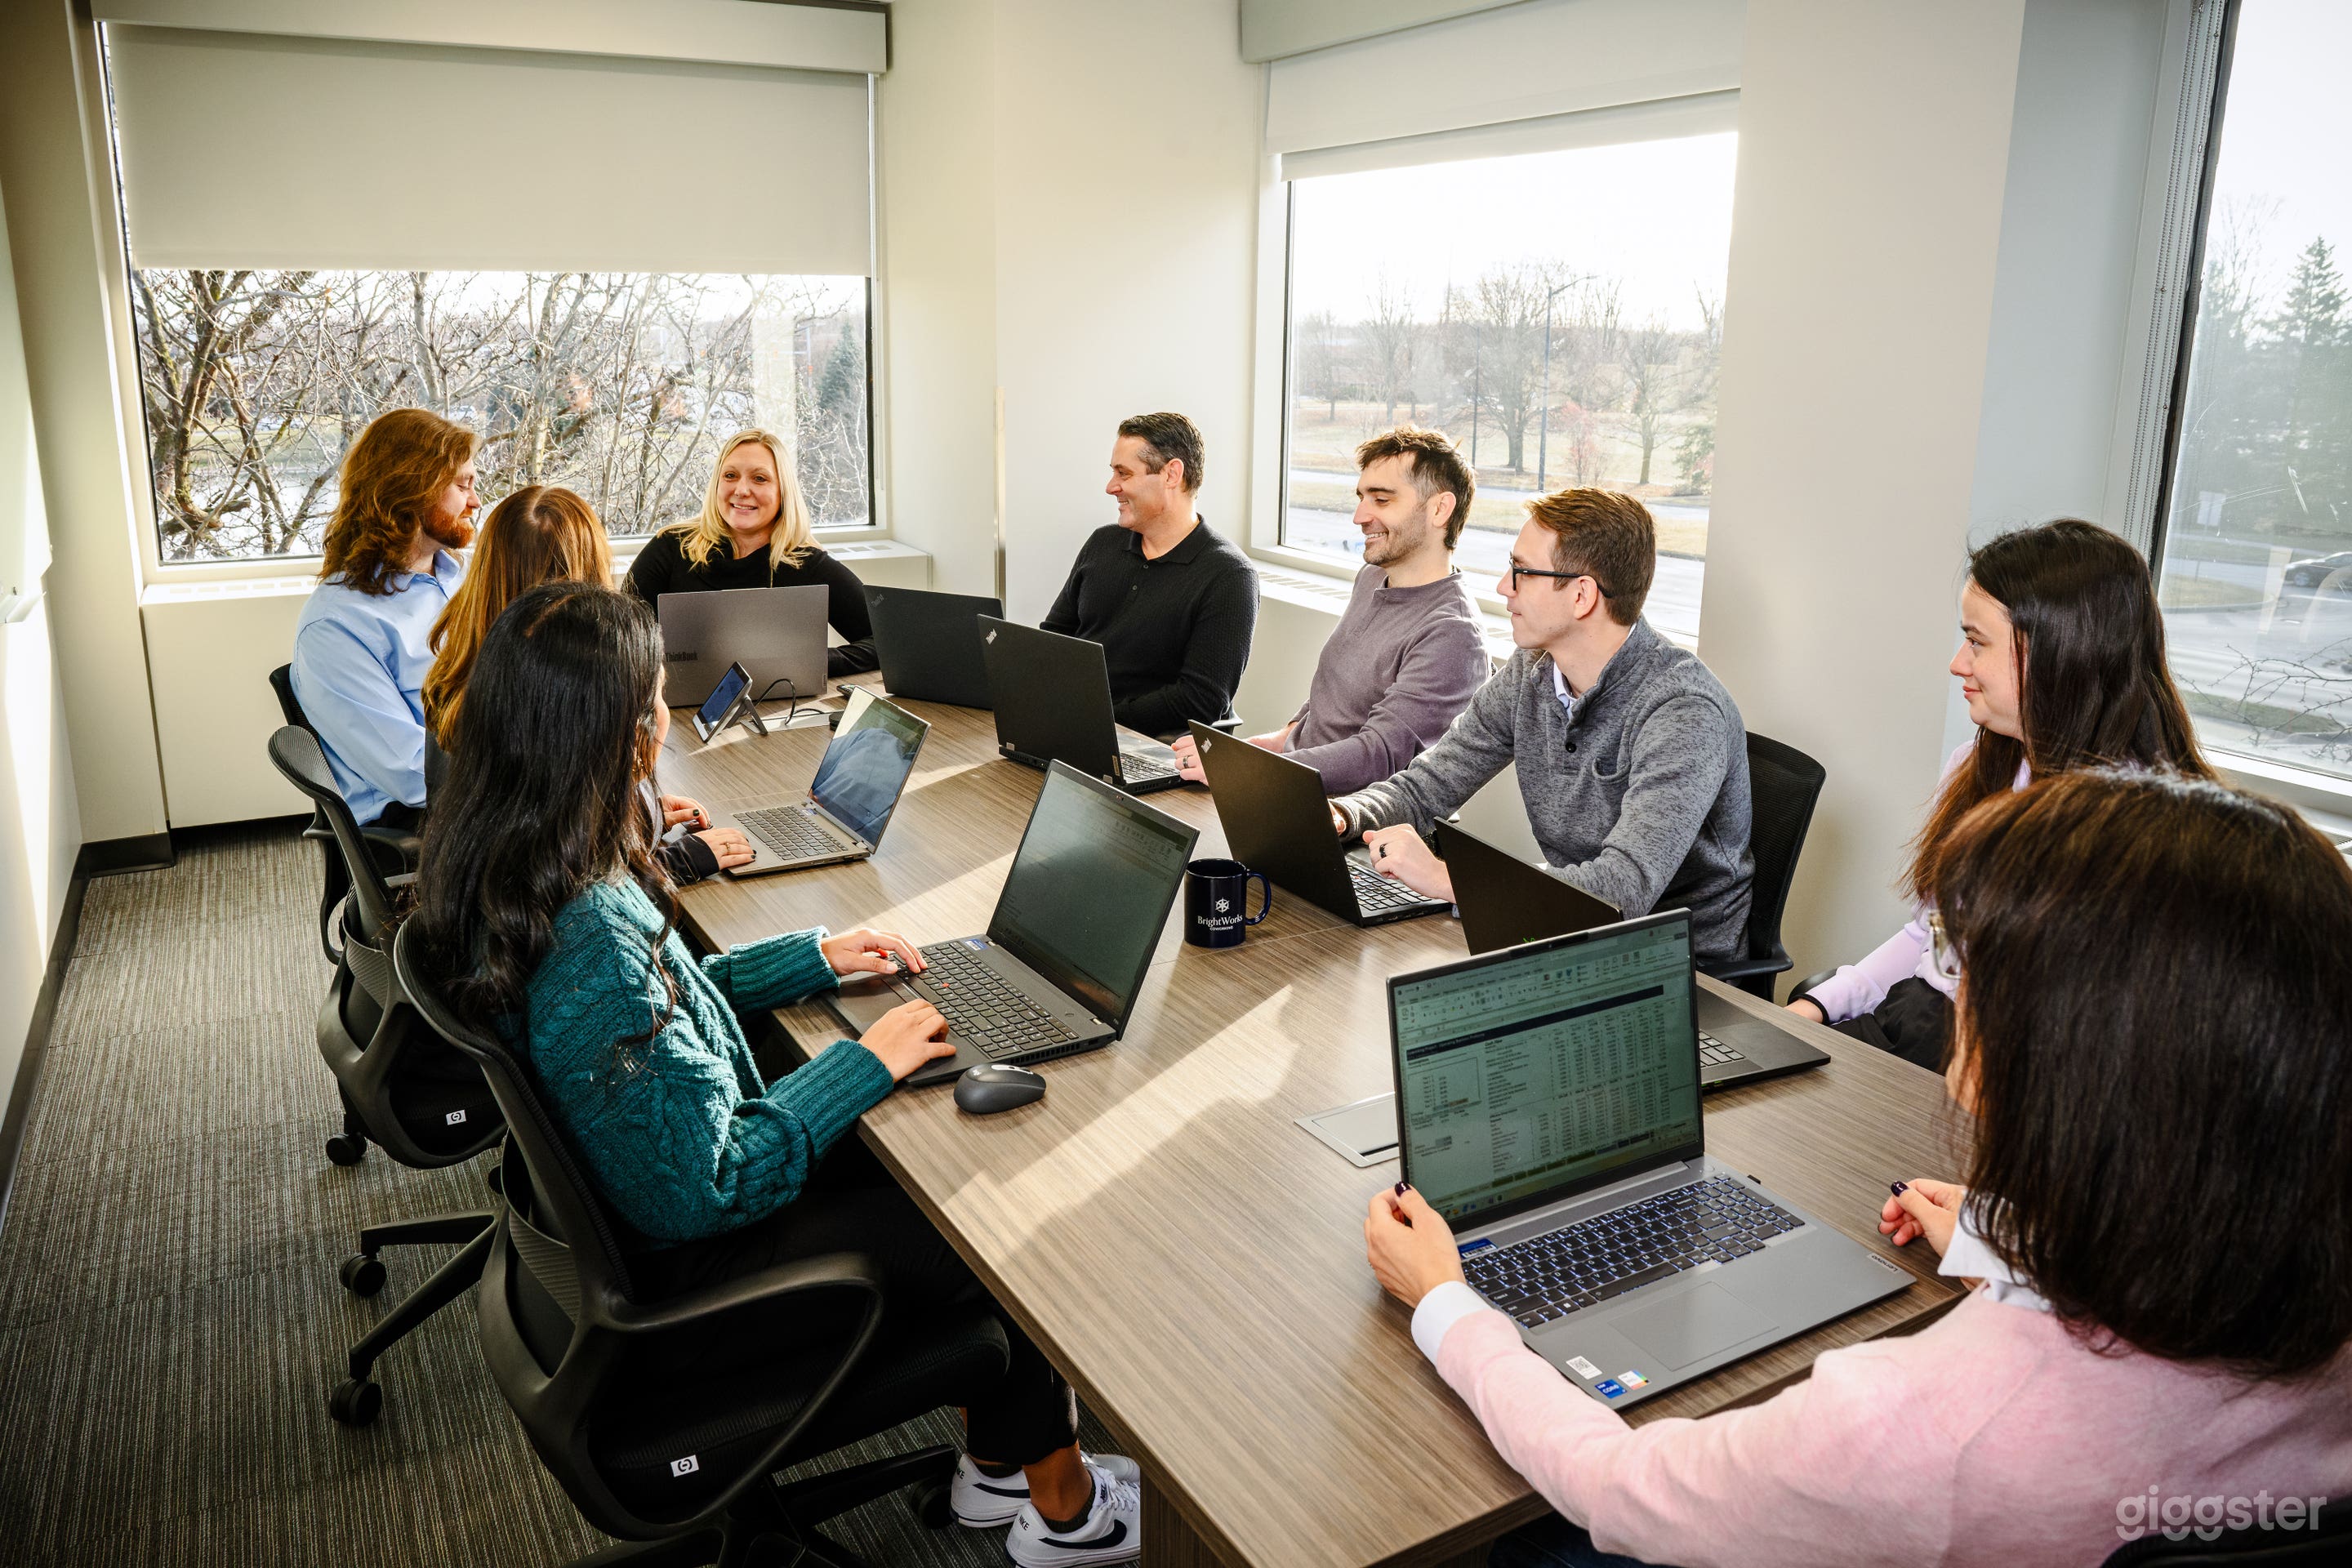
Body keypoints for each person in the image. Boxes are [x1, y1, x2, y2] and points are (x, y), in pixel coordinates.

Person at [1365, 768, 2352, 1568]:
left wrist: (1451, 1305)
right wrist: (2012, 1239)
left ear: (2057, 1067)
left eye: (1973, 981)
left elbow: (1624, 1492)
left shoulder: (1918, 1427)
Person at [407, 581, 1144, 1566]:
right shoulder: (591, 942)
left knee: (934, 1148)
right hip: (687, 1281)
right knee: (979, 1215)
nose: (664, 712)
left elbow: (669, 1004)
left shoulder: (522, 862)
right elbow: (714, 1181)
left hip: (625, 1237)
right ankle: (1065, 1511)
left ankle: (1004, 1463)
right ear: (619, 733)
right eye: (652, 698)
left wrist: (810, 960)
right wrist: (857, 1063)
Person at [1786, 518, 2212, 1068]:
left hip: (2008, 1070)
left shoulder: (2141, 835)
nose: (1957, 664)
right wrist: (1820, 1005)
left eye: (1975, 642)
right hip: (1921, 1021)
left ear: (2058, 655)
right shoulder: (1979, 766)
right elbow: (1932, 936)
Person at [1330, 488, 1753, 962]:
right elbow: (1427, 786)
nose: (1503, 587)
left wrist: (1447, 880)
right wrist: (1344, 815)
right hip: (1560, 931)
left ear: (1581, 595)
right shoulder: (1532, 669)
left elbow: (1623, 890)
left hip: (1677, 969)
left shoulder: (1683, 711)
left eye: (1523, 572)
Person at [422, 483, 751, 882]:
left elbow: (550, 827)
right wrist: (680, 862)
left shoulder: (461, 665)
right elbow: (561, 885)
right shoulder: (556, 691)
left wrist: (643, 815)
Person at [1169, 425, 1486, 793]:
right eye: (1362, 497)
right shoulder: (1371, 577)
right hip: (1293, 785)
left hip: (1353, 817)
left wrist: (1248, 767)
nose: (1359, 516)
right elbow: (1331, 707)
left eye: (1381, 500)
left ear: (1439, 509)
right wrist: (1257, 747)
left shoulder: (1453, 634)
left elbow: (1379, 756)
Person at [290, 408, 478, 828]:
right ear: (413, 489)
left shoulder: (458, 578)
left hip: (480, 783)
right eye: (461, 485)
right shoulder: (336, 627)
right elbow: (414, 775)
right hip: (424, 819)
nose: (474, 501)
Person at [1041, 412, 1258, 737]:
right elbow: (1054, 638)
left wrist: (1096, 718)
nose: (1111, 487)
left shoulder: (1230, 575)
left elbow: (1200, 700)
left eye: (1124, 474)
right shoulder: (1103, 543)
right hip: (1077, 727)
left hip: (1153, 745)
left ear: (1172, 474)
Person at [625, 429, 880, 679]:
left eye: (760, 479)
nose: (742, 490)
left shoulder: (808, 564)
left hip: (778, 711)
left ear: (783, 491)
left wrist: (811, 662)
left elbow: (886, 641)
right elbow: (618, 636)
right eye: (730, 475)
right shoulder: (671, 546)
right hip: (673, 707)